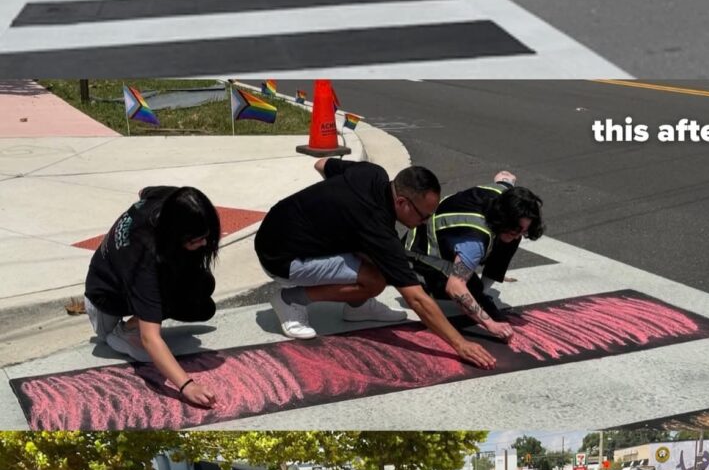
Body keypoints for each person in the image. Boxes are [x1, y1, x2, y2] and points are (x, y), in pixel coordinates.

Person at [254, 160, 496, 369]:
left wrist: (328, 210)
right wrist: (460, 343)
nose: (425, 223)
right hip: (282, 259)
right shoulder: (377, 227)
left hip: (275, 229)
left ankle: (357, 308)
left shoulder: (372, 173)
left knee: (378, 261)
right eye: (423, 216)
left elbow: (322, 164)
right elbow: (417, 299)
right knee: (376, 279)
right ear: (402, 202)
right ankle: (291, 300)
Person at [84, 186, 220, 409]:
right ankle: (120, 332)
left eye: (205, 237)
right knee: (148, 353)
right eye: (195, 240)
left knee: (203, 297)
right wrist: (187, 386)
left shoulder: (172, 201)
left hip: (124, 276)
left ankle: (137, 318)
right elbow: (150, 339)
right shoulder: (144, 263)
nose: (204, 244)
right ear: (174, 234)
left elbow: (143, 191)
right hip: (105, 299)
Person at [405, 172, 543, 342]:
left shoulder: (504, 194)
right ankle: (422, 280)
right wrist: (491, 324)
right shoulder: (475, 241)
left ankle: (481, 292)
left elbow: (505, 177)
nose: (519, 234)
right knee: (467, 292)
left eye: (524, 230)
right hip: (420, 252)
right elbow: (455, 287)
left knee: (509, 240)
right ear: (503, 218)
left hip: (451, 238)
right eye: (516, 229)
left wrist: (506, 181)